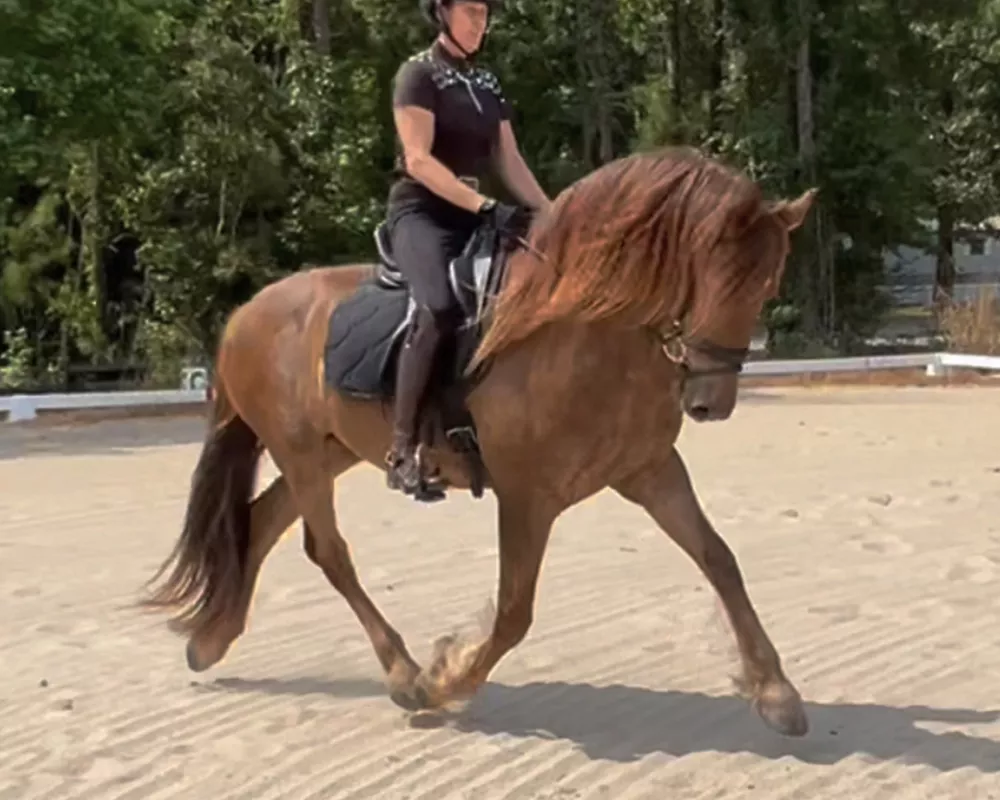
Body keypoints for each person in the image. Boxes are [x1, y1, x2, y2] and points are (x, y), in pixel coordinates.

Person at [383, 0, 551, 502]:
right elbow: (417, 159)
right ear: (441, 12)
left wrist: (555, 213)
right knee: (438, 307)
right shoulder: (417, 75)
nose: (481, 22)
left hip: (476, 214)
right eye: (471, 11)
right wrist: (484, 206)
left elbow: (509, 158)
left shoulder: (487, 84)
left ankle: (477, 426)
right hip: (422, 214)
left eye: (485, 13)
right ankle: (402, 450)